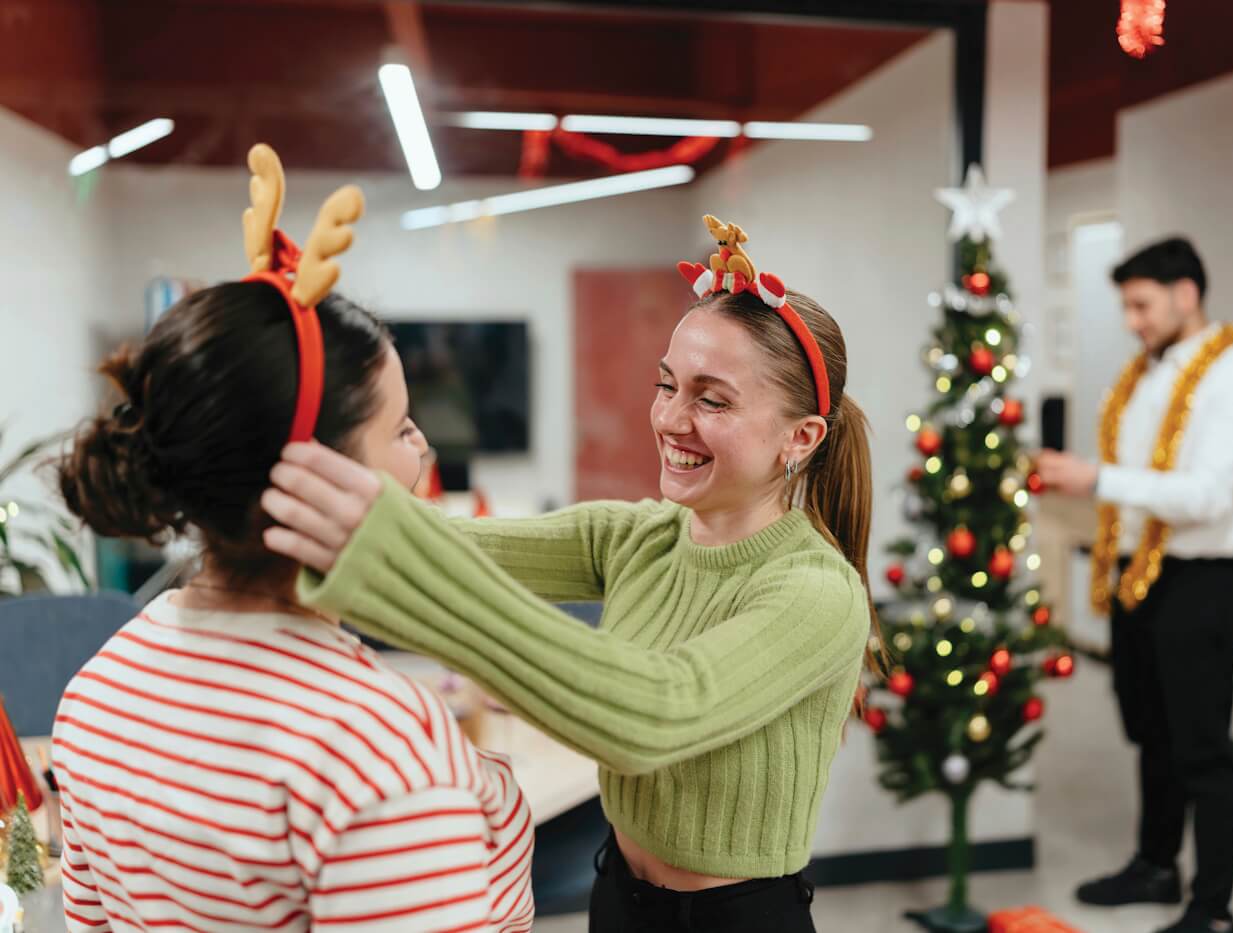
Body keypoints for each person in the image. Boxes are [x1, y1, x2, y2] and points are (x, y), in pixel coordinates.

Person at [259, 215, 878, 933]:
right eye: (667, 384)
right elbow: (452, 548)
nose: (671, 418)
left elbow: (654, 714)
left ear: (800, 438)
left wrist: (389, 561)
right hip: (619, 893)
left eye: (712, 399)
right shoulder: (638, 536)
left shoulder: (817, 592)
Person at [51, 145, 534, 933]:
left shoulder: (99, 690)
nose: (426, 454)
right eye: (403, 428)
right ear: (321, 478)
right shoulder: (377, 747)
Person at [1037, 236, 1233, 933]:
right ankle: (1156, 863)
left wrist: (1095, 480)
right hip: (1140, 573)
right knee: (1152, 732)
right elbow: (1142, 473)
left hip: (1204, 579)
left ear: (1186, 293)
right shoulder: (1145, 374)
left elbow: (1206, 494)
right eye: (1128, 306)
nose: (1133, 320)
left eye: (1141, 304)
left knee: (1203, 747)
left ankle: (1213, 906)